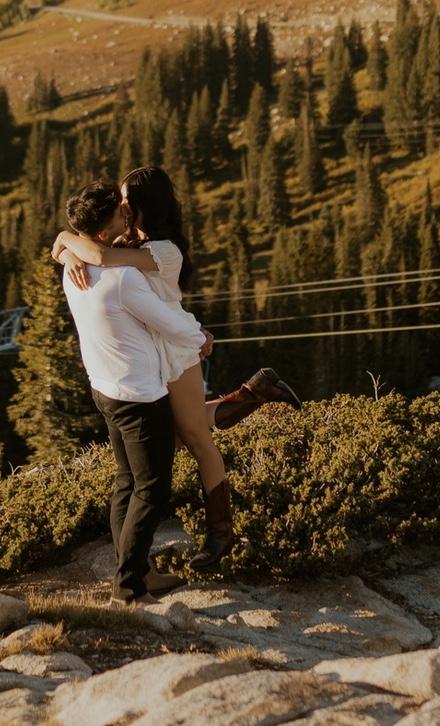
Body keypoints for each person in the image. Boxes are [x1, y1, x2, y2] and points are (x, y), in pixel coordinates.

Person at [53, 165, 301, 570]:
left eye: (127, 200)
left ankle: (220, 532)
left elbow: (98, 254)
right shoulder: (131, 240)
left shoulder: (163, 251)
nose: (121, 207)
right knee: (174, 436)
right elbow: (91, 249)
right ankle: (255, 392)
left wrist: (67, 241)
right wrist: (66, 248)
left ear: (146, 204)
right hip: (149, 355)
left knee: (196, 439)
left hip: (176, 350)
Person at [58, 179, 207, 604]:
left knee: (127, 481)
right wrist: (202, 337)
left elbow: (76, 248)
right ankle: (128, 587)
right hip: (140, 396)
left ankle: (137, 571)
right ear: (104, 232)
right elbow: (169, 323)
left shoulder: (74, 268)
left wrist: (66, 245)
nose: (127, 214)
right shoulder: (122, 277)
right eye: (119, 213)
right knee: (152, 489)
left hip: (104, 389)